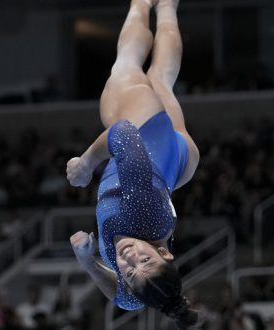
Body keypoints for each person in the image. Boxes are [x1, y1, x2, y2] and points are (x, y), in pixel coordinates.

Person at [65, 0, 200, 328]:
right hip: (145, 130)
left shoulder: (138, 290)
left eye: (128, 271)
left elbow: (122, 299)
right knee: (126, 66)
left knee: (161, 79)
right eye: (144, 259)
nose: (128, 258)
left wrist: (89, 263)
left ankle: (167, 7)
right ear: (165, 254)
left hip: (176, 163)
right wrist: (85, 164)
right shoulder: (140, 213)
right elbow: (122, 134)